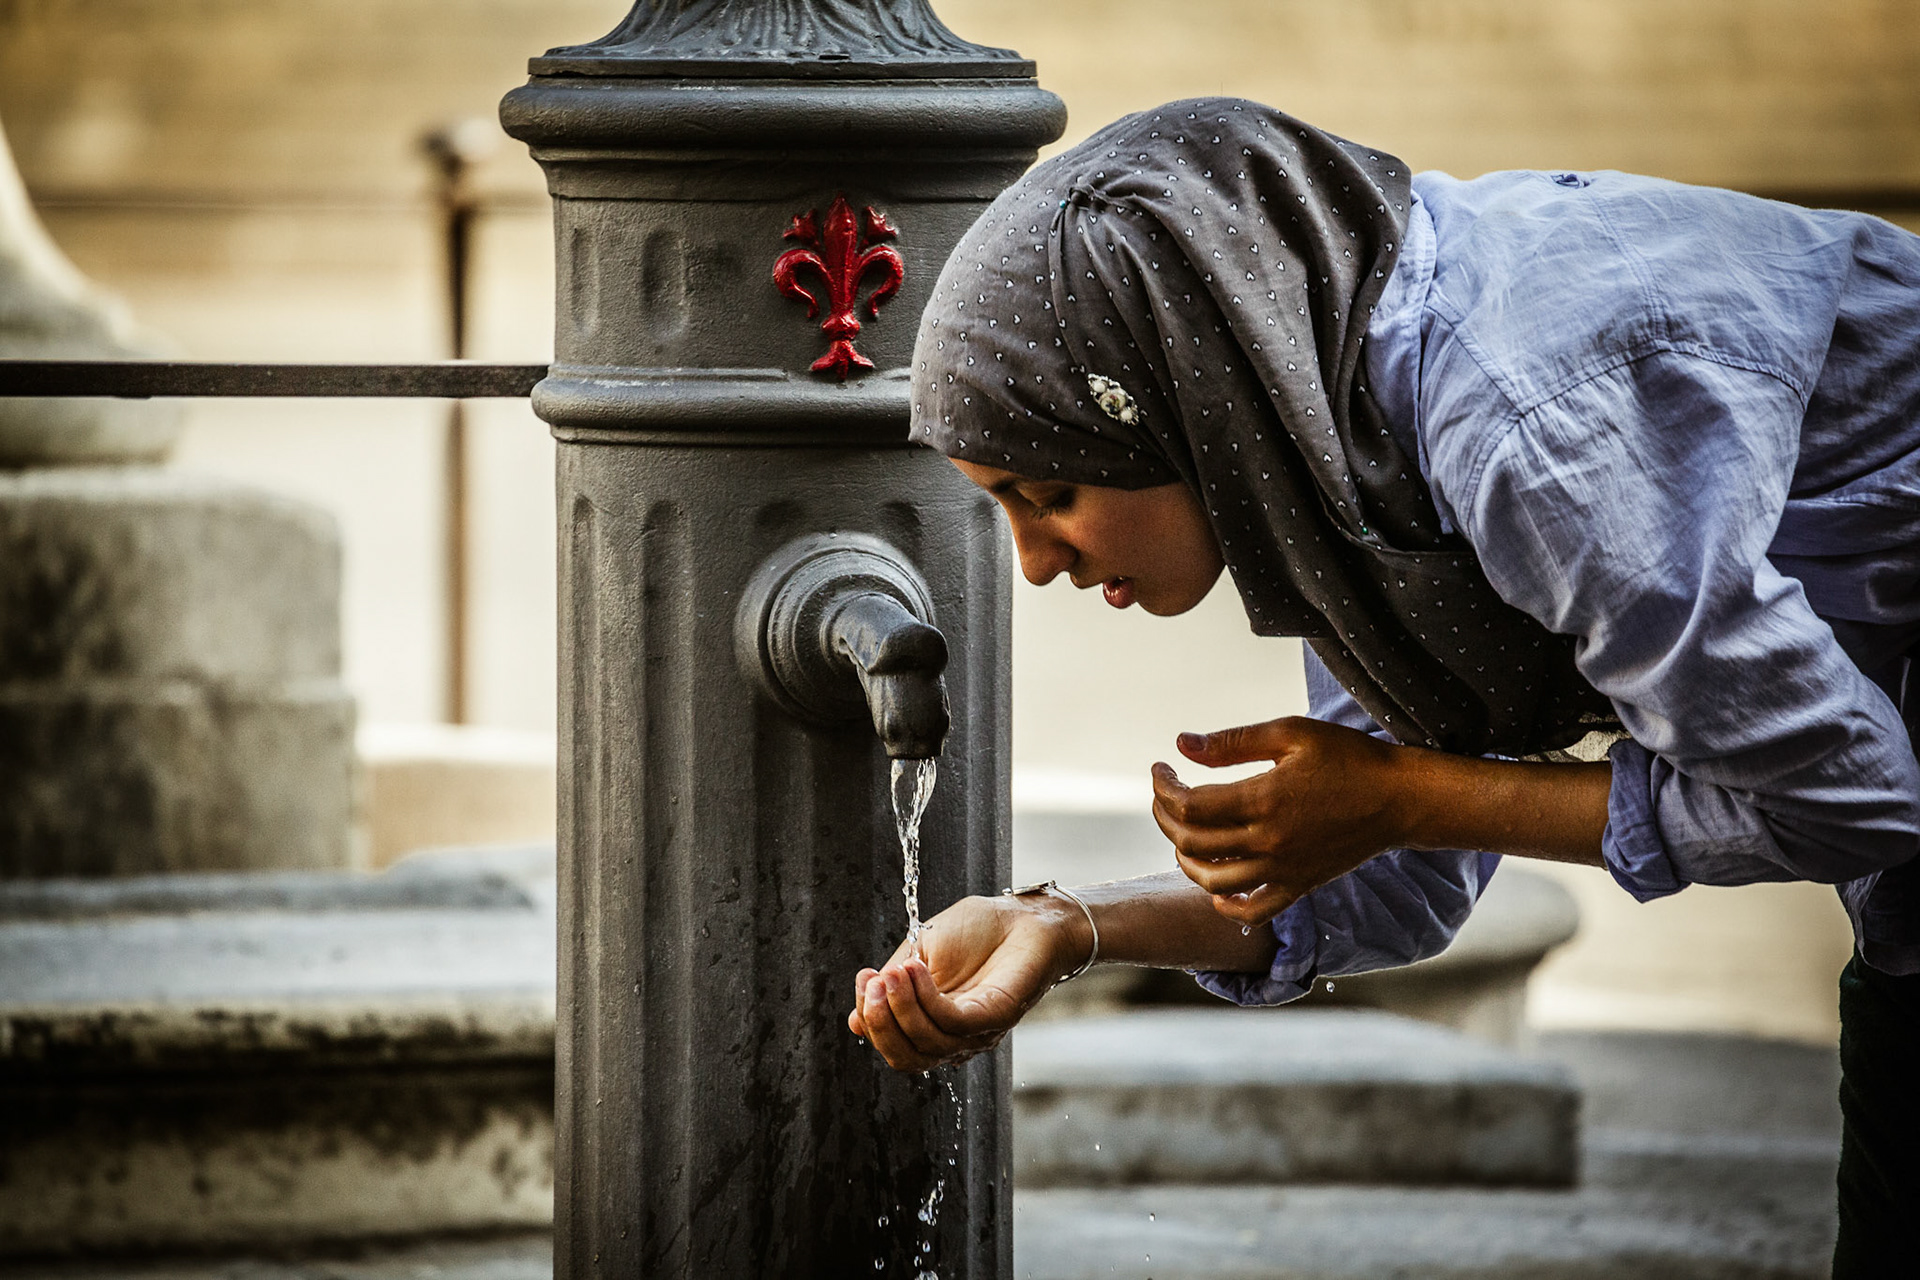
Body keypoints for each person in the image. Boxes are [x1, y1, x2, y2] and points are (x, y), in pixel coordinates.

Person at [846, 98, 1920, 1269]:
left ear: (1177, 400)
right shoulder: (1336, 455)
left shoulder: (1522, 430)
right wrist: (1061, 924)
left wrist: (1405, 792)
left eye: (1045, 493)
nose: (1036, 562)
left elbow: (1853, 799)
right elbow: (1391, 888)